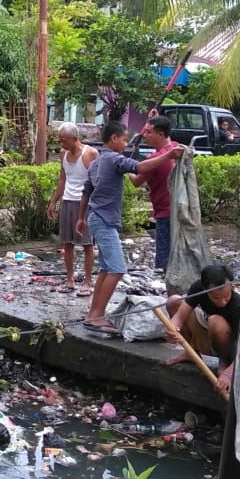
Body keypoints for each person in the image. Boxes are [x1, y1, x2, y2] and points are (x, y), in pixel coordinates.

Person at [76, 121, 184, 337]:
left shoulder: (98, 161)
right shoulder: (114, 158)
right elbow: (139, 168)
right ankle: (97, 316)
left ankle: (93, 314)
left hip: (95, 217)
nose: (126, 143)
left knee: (107, 269)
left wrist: (81, 218)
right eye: (124, 139)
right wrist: (168, 156)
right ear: (114, 139)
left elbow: (86, 191)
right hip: (105, 219)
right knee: (117, 269)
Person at [165, 264, 240, 395]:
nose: (223, 302)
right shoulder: (198, 288)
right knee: (173, 301)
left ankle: (224, 361)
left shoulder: (238, 305)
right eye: (216, 298)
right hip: (206, 333)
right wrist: (172, 330)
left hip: (230, 346)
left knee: (215, 321)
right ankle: (191, 352)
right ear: (205, 288)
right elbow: (179, 317)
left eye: (226, 297)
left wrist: (229, 374)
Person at [46, 122, 97, 297]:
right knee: (67, 243)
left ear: (75, 139)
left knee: (87, 244)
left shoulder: (90, 153)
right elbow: (63, 179)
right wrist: (53, 201)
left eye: (64, 141)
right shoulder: (63, 154)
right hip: (68, 200)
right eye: (60, 141)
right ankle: (70, 279)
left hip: (84, 202)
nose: (62, 144)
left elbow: (96, 182)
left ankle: (88, 281)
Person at [127, 116, 181, 280]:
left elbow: (136, 182)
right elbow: (168, 138)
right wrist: (152, 119)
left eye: (149, 132)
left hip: (164, 211)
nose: (145, 135)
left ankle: (168, 286)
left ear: (160, 134)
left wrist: (127, 165)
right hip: (178, 209)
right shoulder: (175, 148)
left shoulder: (153, 161)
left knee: (164, 256)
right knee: (176, 252)